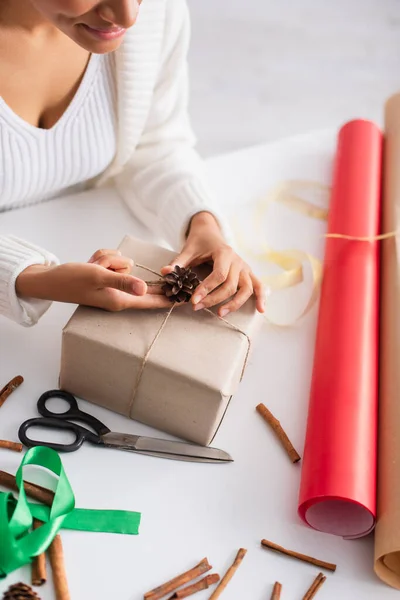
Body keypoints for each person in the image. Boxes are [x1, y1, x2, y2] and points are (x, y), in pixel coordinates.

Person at [0, 0, 265, 327]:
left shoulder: (157, 12)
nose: (129, 16)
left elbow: (154, 142)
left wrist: (201, 223)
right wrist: (29, 277)